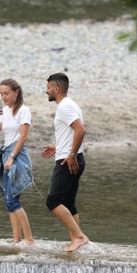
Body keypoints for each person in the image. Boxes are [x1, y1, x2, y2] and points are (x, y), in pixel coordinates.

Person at [41, 73, 89, 252]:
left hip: (68, 161)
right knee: (68, 202)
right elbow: (73, 133)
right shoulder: (71, 104)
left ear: (57, 88)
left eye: (48, 87)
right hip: (72, 157)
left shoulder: (64, 107)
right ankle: (76, 241)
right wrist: (58, 146)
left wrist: (71, 154)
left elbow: (80, 130)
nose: (46, 91)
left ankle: (79, 237)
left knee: (53, 201)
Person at [0, 78, 35, 246]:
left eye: (6, 93)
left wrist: (12, 157)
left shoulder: (24, 110)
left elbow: (23, 136)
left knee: (13, 199)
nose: (3, 97)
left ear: (16, 92)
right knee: (8, 199)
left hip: (17, 155)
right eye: (1, 94)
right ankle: (16, 239)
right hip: (7, 154)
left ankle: (29, 239)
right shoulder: (5, 111)